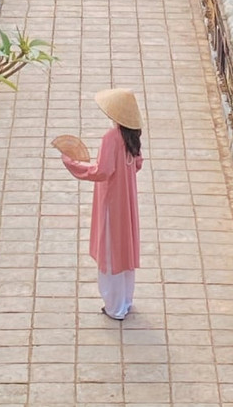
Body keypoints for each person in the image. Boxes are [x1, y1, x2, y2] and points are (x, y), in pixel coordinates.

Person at [61, 87, 143, 320]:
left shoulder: (111, 138)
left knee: (111, 250)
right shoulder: (133, 137)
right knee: (125, 249)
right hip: (127, 200)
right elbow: (137, 164)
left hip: (112, 201)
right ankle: (125, 300)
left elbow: (102, 171)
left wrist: (73, 163)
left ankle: (114, 306)